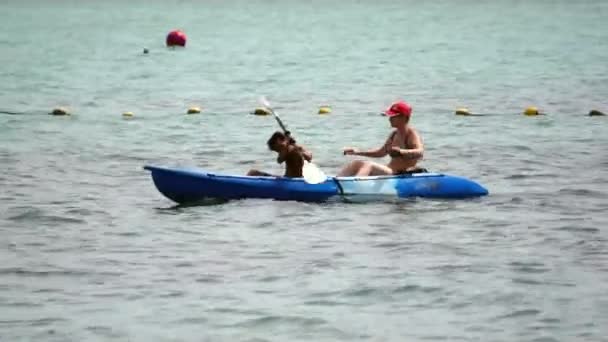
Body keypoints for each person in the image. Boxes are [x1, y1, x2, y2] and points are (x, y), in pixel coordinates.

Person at [338, 101, 424, 176]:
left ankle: (355, 185)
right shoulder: (394, 134)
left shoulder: (411, 133)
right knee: (356, 163)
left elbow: (420, 152)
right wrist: (357, 152)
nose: (390, 119)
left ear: (404, 117)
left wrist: (401, 152)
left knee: (369, 165)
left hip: (399, 174)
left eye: (393, 116)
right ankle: (337, 182)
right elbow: (380, 153)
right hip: (389, 170)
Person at [247, 131, 313, 178]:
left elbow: (280, 160)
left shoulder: (288, 148)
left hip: (291, 181)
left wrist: (289, 144)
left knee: (253, 173)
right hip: (293, 179)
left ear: (279, 141)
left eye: (277, 149)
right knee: (253, 172)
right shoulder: (292, 147)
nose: (278, 152)